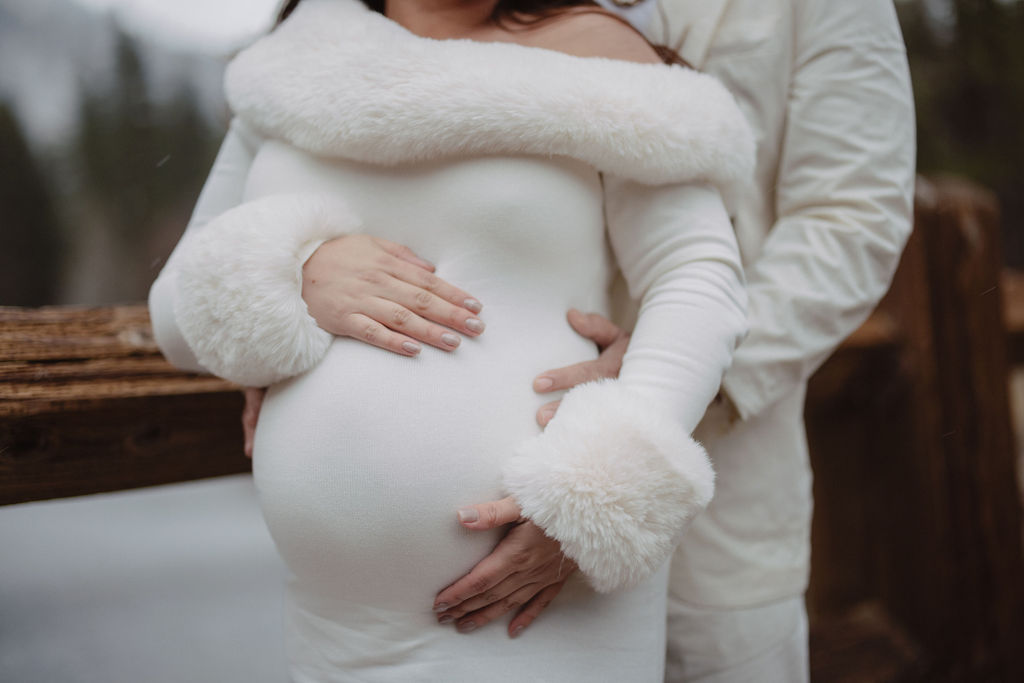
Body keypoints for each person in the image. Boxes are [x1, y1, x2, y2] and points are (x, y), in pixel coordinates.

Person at [232, 0, 917, 680]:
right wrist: (287, 292)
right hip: (410, 586)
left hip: (718, 501)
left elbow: (854, 217)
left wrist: (655, 394)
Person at [148, 0, 754, 679]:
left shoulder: (597, 49)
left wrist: (597, 496)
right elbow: (172, 314)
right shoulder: (303, 54)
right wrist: (297, 269)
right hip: (336, 628)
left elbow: (698, 280)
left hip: (539, 606)